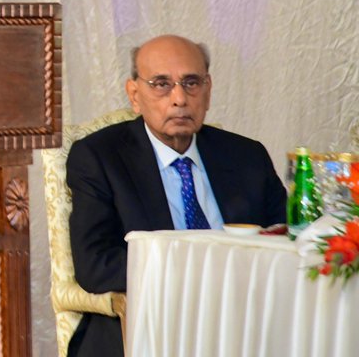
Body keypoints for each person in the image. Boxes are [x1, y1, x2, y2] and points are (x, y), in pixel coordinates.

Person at [65, 34, 286, 357]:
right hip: (148, 326)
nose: (179, 98)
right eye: (161, 84)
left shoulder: (246, 156)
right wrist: (199, 269)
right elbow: (95, 266)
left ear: (207, 91)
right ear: (135, 95)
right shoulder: (99, 157)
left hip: (244, 325)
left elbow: (287, 237)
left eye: (191, 83)